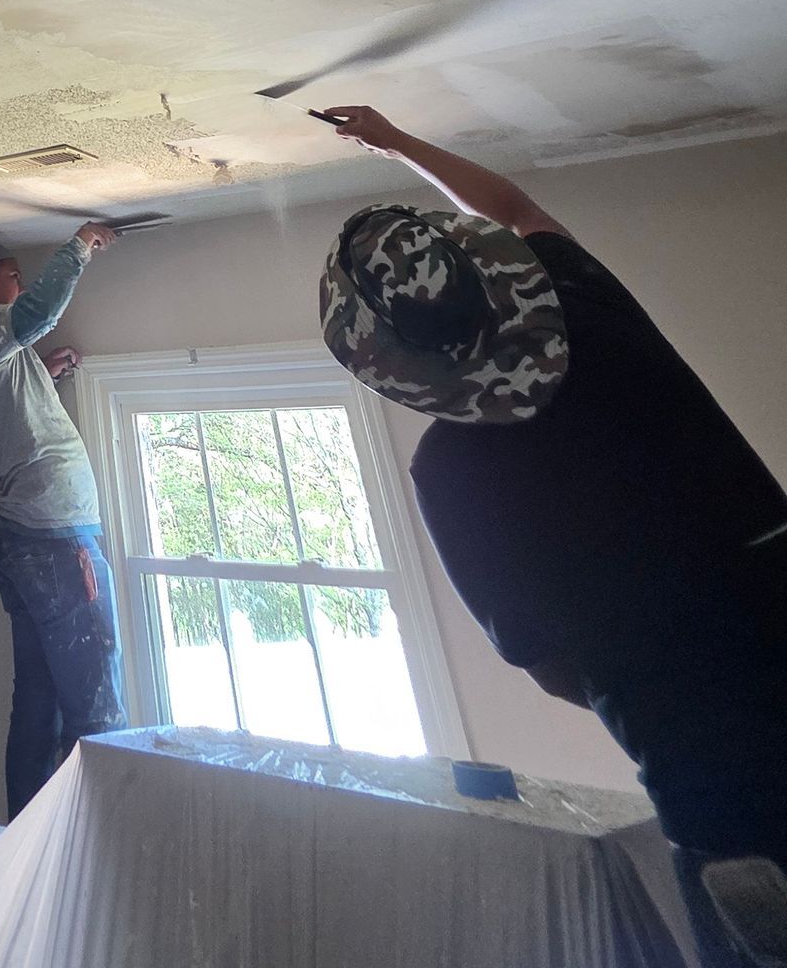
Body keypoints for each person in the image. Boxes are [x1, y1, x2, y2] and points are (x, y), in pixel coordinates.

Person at [316, 105, 787, 967]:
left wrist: (644, 662)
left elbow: (552, 670)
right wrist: (396, 141)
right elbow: (518, 209)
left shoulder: (450, 476)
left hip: (726, 807)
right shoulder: (587, 305)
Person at [0, 222, 126, 817]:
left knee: (41, 699)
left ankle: (27, 841)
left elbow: (8, 402)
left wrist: (42, 374)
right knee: (95, 702)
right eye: (13, 277)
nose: (21, 286)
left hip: (30, 537)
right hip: (54, 537)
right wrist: (81, 245)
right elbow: (38, 311)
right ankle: (101, 842)